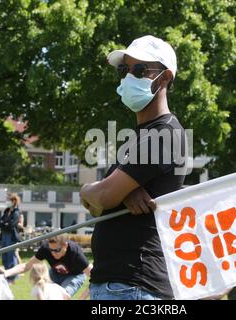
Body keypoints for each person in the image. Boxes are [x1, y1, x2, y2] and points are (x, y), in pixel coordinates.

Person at [80, 35, 186, 300]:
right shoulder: (139, 137)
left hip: (134, 287)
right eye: (123, 70)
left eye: (139, 70)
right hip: (120, 285)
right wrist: (114, 193)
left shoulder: (164, 135)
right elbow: (98, 204)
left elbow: (102, 197)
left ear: (164, 78)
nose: (128, 77)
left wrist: (89, 190)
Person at [1, 234, 91, 299]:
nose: (53, 253)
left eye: (57, 250)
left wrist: (81, 298)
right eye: (51, 250)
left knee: (62, 296)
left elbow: (95, 278)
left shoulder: (75, 253)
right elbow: (26, 266)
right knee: (43, 292)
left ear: (65, 246)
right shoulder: (46, 249)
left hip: (75, 275)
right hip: (55, 273)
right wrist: (6, 272)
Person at [0, 193, 21, 283]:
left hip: (11, 236)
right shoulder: (7, 211)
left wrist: (4, 223)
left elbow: (11, 225)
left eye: (9, 200)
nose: (7, 202)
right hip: (4, 235)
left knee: (11, 256)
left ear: (14, 201)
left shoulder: (16, 212)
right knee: (4, 256)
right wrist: (4, 223)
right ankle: (6, 274)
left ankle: (12, 276)